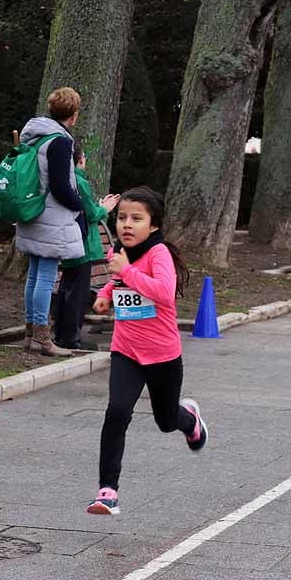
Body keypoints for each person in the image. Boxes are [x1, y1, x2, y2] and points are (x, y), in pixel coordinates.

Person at [87, 186, 206, 515]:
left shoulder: (158, 254)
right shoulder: (120, 255)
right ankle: (107, 491)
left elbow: (164, 293)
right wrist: (107, 294)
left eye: (136, 219)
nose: (127, 224)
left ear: (153, 225)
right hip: (125, 351)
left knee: (166, 421)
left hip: (162, 355)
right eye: (122, 217)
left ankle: (190, 420)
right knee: (117, 412)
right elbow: (120, 281)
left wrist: (123, 271)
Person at [15, 87, 86, 357]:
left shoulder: (35, 136)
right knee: (45, 277)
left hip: (32, 211)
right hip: (52, 216)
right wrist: (80, 205)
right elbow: (60, 186)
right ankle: (43, 339)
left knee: (34, 275)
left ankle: (31, 333)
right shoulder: (59, 141)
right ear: (74, 115)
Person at [52, 143, 119, 350]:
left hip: (68, 241)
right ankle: (72, 337)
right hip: (83, 245)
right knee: (77, 293)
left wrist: (96, 206)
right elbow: (90, 214)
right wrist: (104, 209)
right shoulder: (80, 181)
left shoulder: (63, 180)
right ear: (80, 160)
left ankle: (60, 333)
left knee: (66, 288)